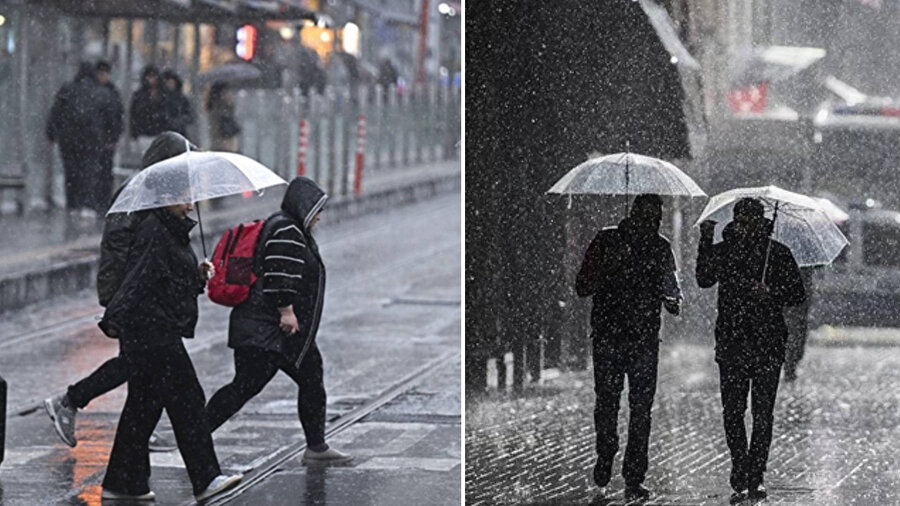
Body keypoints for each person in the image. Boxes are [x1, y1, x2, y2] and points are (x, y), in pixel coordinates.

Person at [44, 132, 197, 453]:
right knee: (138, 364)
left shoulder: (154, 193)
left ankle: (134, 429)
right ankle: (70, 401)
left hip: (143, 296)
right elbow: (120, 249)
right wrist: (116, 300)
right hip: (135, 297)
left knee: (141, 366)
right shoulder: (139, 195)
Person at [95, 167, 241, 501]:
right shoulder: (155, 232)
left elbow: (167, 281)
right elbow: (138, 279)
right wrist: (113, 318)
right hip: (152, 333)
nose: (191, 205)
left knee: (143, 409)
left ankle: (122, 482)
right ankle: (206, 478)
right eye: (185, 198)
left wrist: (197, 275)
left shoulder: (170, 230)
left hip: (154, 330)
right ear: (165, 199)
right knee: (188, 402)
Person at [204, 176, 351, 465]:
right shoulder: (287, 230)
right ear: (305, 206)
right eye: (317, 209)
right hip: (271, 329)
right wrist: (286, 310)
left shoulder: (285, 226)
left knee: (264, 383)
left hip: (267, 328)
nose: (320, 216)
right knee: (256, 385)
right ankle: (195, 435)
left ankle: (317, 446)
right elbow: (279, 274)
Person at [696, 198, 806, 503]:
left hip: (768, 342)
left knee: (762, 414)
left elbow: (797, 294)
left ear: (761, 222)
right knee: (733, 411)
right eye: (741, 221)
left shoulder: (778, 254)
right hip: (732, 342)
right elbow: (704, 279)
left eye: (751, 222)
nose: (745, 227)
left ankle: (755, 473)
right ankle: (739, 464)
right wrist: (705, 240)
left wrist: (770, 292)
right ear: (735, 221)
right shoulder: (725, 250)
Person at [575, 194, 682, 501]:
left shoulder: (661, 248)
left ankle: (634, 475)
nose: (651, 224)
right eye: (647, 218)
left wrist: (671, 300)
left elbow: (672, 291)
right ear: (633, 215)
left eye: (656, 219)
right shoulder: (606, 241)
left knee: (641, 410)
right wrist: (611, 267)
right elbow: (582, 285)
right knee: (607, 402)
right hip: (609, 337)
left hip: (645, 340)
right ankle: (606, 451)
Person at [46, 62, 111, 218]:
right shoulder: (100, 92)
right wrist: (109, 136)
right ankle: (86, 204)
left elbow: (55, 112)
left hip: (68, 139)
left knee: (71, 172)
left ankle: (72, 204)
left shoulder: (67, 89)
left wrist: (52, 134)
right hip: (91, 139)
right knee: (88, 171)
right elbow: (109, 116)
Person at [95, 60, 125, 213]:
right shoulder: (106, 92)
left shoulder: (111, 92)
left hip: (106, 139)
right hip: (97, 139)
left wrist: (113, 137)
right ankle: (99, 201)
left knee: (105, 171)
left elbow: (118, 116)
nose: (103, 76)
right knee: (99, 171)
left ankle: (104, 200)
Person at [783, 267, 814, 381]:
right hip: (792, 307)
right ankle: (789, 365)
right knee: (795, 336)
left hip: (799, 308)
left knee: (797, 337)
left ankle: (790, 364)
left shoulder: (807, 268)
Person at [130, 65, 169, 141]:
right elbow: (134, 114)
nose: (151, 80)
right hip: (144, 133)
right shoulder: (139, 95)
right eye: (149, 77)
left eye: (153, 76)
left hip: (160, 133)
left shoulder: (164, 94)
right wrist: (134, 132)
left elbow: (168, 111)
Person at [206, 82, 240, 152]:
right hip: (224, 135)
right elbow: (226, 115)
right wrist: (229, 103)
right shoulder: (219, 103)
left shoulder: (212, 102)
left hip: (220, 136)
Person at [161, 69, 194, 136]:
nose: (169, 85)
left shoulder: (181, 98)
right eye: (167, 83)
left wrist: (179, 121)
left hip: (180, 132)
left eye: (171, 82)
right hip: (164, 132)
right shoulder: (161, 98)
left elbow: (190, 115)